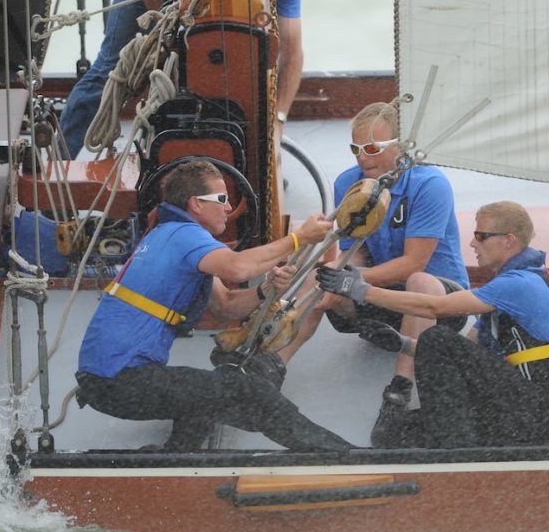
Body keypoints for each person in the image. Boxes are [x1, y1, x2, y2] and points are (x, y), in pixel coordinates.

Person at [74, 160, 352, 452]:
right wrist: (299, 239)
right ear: (195, 204)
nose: (229, 208)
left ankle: (176, 461)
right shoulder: (184, 235)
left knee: (204, 395)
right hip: (120, 378)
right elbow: (238, 268)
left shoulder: (168, 236)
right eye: (221, 199)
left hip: (106, 382)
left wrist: (266, 289)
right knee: (247, 390)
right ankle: (340, 457)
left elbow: (225, 307)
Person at [274, 101, 470, 442]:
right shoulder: (350, 185)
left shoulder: (430, 185)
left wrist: (352, 280)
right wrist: (336, 275)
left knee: (419, 282)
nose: (360, 158)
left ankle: (399, 391)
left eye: (370, 149)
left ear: (401, 146)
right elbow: (357, 252)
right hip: (377, 303)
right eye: (355, 148)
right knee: (316, 275)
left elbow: (414, 264)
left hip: (437, 309)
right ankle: (272, 367)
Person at [316, 201, 549, 448]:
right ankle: (455, 445)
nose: (472, 243)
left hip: (542, 412)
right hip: (516, 408)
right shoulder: (504, 289)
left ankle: (455, 451)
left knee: (438, 338)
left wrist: (360, 290)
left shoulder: (520, 284)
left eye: (481, 236)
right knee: (392, 433)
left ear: (509, 241)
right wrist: (403, 343)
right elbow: (466, 350)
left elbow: (436, 307)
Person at [59, 0, 324, 158]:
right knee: (111, 69)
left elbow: (292, 52)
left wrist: (278, 119)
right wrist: (161, 27)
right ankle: (59, 161)